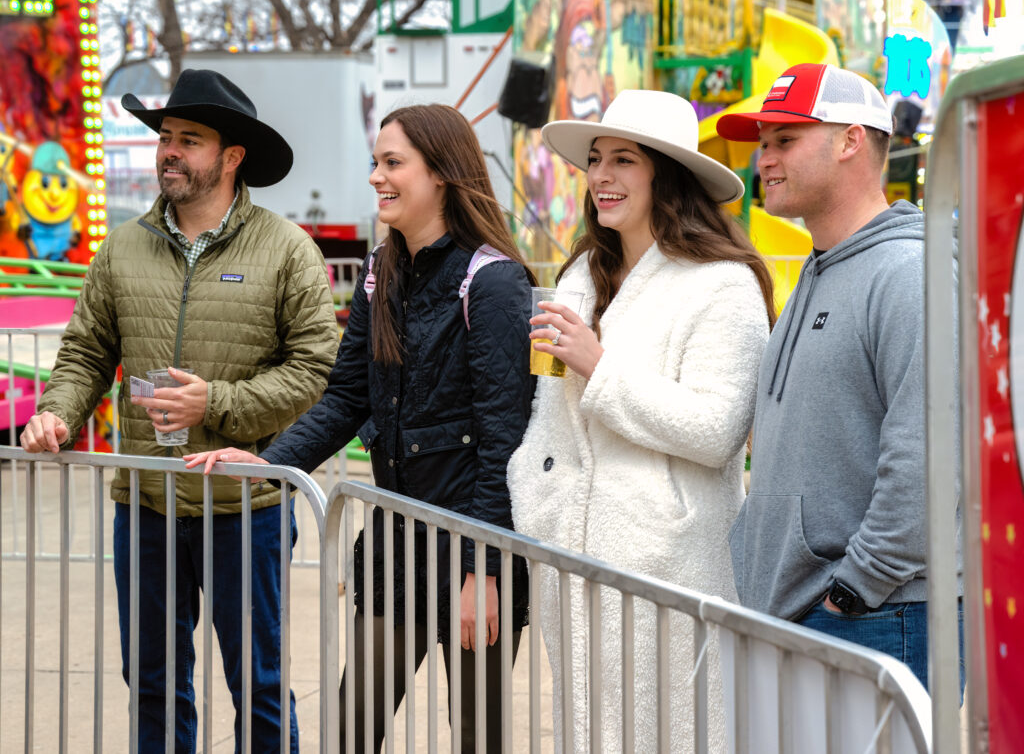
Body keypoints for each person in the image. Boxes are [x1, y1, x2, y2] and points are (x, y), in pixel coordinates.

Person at [186, 103, 535, 752]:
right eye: (375, 161)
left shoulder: (494, 281)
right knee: (352, 726)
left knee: (477, 735)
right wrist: (275, 463)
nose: (376, 175)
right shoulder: (382, 271)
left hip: (471, 548)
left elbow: (502, 436)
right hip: (395, 547)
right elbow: (346, 397)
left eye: (393, 162)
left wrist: (483, 570)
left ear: (444, 173)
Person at [19, 68, 339, 752]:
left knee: (258, 680)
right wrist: (58, 413)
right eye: (165, 137)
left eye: (188, 140)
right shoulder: (123, 247)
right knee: (154, 680)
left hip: (246, 506)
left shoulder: (287, 250)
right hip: (145, 505)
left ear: (231, 157)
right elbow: (85, 352)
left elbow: (315, 369)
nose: (169, 151)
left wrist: (215, 403)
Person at [506, 89, 775, 752]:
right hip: (571, 557)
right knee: (588, 730)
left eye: (624, 159)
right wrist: (535, 496)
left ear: (666, 173)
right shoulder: (578, 274)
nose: (601, 175)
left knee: (675, 732)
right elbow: (549, 417)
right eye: (596, 159)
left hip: (668, 566)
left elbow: (716, 430)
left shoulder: (723, 283)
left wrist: (601, 367)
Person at [717, 62, 962, 691]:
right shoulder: (819, 269)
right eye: (763, 143)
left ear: (852, 140)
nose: (763, 160)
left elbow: (929, 457)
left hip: (880, 614)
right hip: (811, 610)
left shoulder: (909, 271)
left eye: (785, 141)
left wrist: (857, 590)